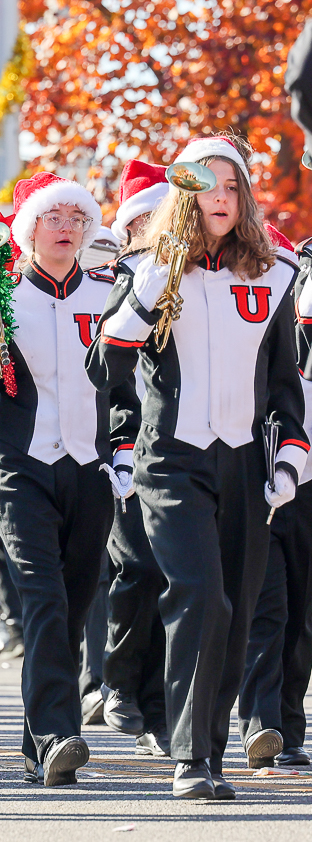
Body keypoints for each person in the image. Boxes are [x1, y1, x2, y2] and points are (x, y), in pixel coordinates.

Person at [87, 135, 307, 800]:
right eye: (207, 184)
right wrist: (151, 284)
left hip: (244, 463)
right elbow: (105, 365)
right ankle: (188, 755)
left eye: (233, 186)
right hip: (171, 459)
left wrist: (288, 460)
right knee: (201, 596)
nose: (221, 197)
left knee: (236, 612)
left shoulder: (275, 274)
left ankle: (208, 751)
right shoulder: (142, 267)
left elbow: (284, 386)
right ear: (184, 194)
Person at [0, 172, 137, 786]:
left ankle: (39, 745)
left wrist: (122, 455)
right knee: (43, 600)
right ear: (28, 230)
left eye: (76, 219)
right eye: (52, 218)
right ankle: (60, 732)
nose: (65, 229)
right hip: (20, 468)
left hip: (89, 470)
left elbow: (127, 393)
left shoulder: (109, 294)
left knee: (75, 604)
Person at [100, 159, 172, 757]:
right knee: (136, 569)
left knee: (177, 578)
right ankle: (118, 680)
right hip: (122, 446)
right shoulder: (109, 280)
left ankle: (160, 710)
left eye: (160, 220)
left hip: (180, 448)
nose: (150, 231)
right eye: (139, 222)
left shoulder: (190, 278)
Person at [238, 230, 312, 769]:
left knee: (301, 614)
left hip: (307, 483)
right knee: (268, 607)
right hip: (260, 475)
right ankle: (262, 724)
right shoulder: (249, 313)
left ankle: (288, 724)